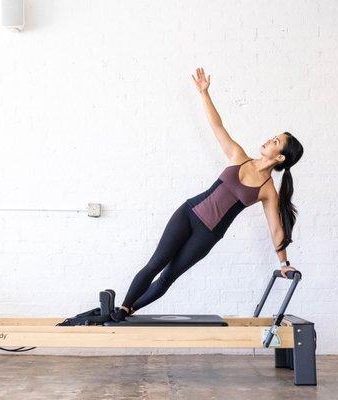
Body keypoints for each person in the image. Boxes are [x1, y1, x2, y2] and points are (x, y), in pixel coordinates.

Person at [110, 67, 304, 322]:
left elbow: (276, 229)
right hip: (189, 214)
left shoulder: (267, 190)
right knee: (155, 263)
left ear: (279, 157)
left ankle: (126, 312)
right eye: (272, 137)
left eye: (276, 142)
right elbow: (217, 125)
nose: (269, 140)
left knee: (168, 277)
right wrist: (204, 93)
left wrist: (283, 263)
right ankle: (123, 307)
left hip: (207, 236)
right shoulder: (238, 156)